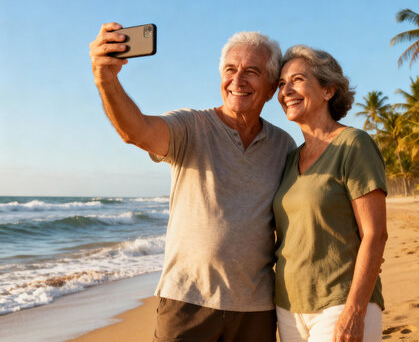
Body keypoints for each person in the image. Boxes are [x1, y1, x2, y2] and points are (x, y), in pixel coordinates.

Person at [89, 23, 295, 342]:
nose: (237, 80)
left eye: (251, 71)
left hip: (256, 308)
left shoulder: (283, 145)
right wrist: (106, 79)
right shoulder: (191, 126)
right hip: (187, 302)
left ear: (271, 88)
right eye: (230, 69)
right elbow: (137, 131)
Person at [272, 45, 388, 342]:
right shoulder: (288, 158)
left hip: (340, 302)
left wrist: (354, 311)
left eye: (297, 80)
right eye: (281, 84)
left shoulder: (353, 144)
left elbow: (375, 234)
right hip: (288, 307)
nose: (286, 91)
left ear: (328, 90)